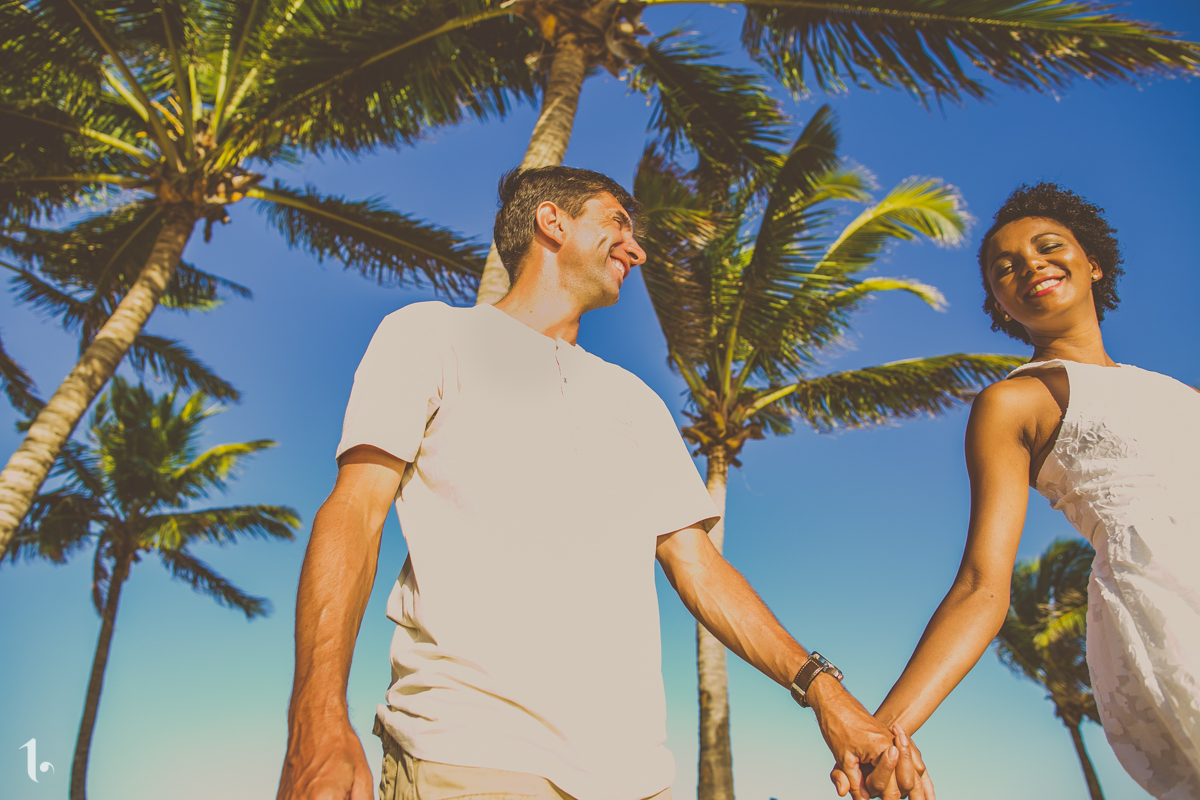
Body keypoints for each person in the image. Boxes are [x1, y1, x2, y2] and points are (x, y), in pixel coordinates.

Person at [275, 166, 929, 800]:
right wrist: (316, 717)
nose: (636, 250)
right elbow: (355, 512)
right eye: (617, 222)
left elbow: (699, 567)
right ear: (551, 222)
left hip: (636, 778)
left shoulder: (635, 401)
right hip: (470, 752)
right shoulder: (432, 335)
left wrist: (826, 692)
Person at [843, 183, 1200, 799]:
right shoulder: (1013, 402)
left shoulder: (1181, 393)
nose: (1029, 265)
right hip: (1168, 602)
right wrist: (880, 737)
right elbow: (982, 586)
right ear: (1000, 306)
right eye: (1004, 267)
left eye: (1048, 246)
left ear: (1094, 263)